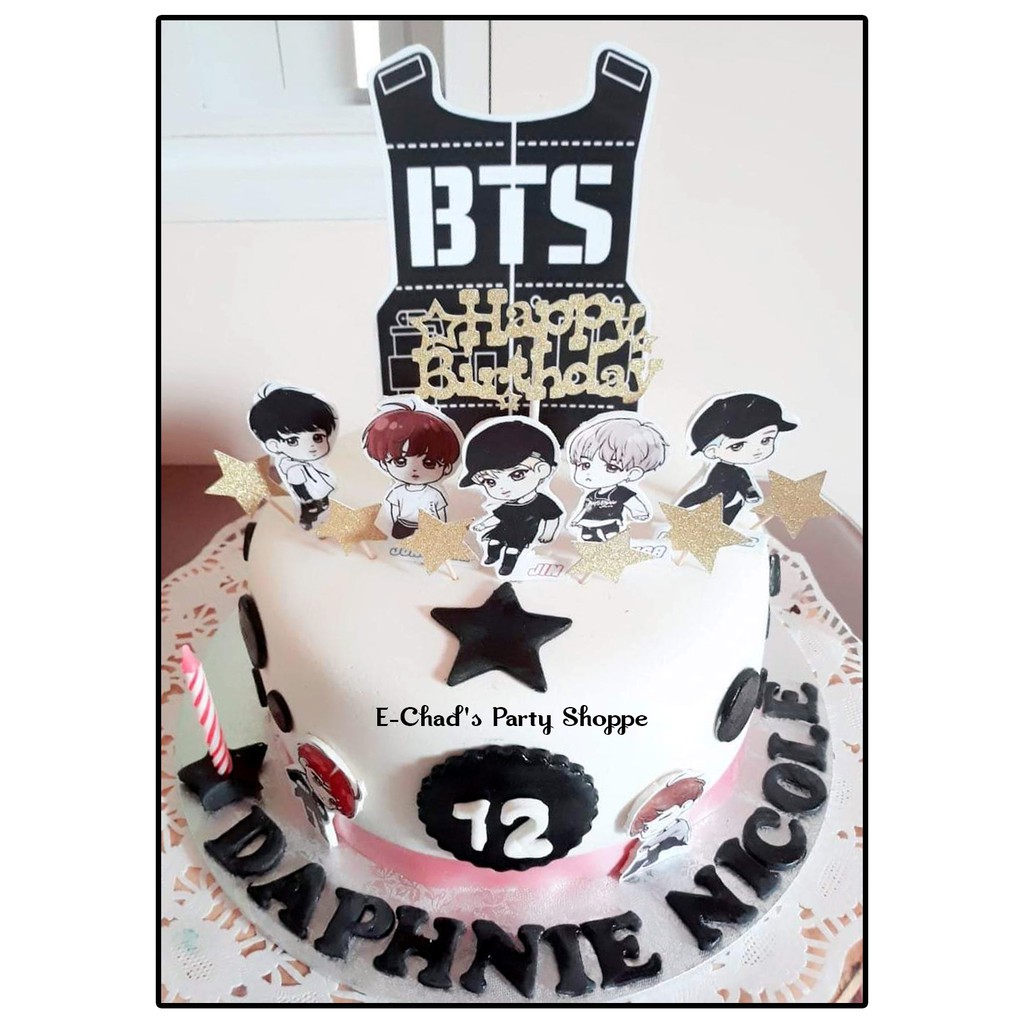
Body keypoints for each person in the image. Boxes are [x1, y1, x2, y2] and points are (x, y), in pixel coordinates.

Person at [461, 418, 563, 576]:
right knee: (494, 541)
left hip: (523, 533)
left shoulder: (542, 501)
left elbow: (552, 518)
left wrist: (547, 534)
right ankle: (493, 556)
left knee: (512, 549)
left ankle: (508, 565)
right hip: (503, 529)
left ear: (541, 470)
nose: (502, 488)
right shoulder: (509, 503)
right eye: (490, 482)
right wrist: (483, 525)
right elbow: (497, 516)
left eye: (517, 474)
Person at [679, 393, 797, 525]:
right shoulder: (729, 471)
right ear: (712, 451)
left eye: (766, 440)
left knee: (724, 516)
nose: (757, 450)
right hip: (715, 498)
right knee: (702, 505)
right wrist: (750, 494)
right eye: (737, 446)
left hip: (729, 502)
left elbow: (746, 485)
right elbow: (710, 489)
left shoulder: (740, 472)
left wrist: (750, 494)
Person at [362, 399, 462, 539]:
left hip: (429, 526)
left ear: (447, 467)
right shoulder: (397, 491)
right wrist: (393, 523)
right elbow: (393, 511)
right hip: (403, 525)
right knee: (399, 540)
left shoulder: (435, 494)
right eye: (400, 461)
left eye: (429, 463)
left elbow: (440, 514)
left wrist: (440, 530)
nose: (413, 469)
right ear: (383, 464)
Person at [248, 385, 338, 530]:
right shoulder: (292, 467)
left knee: (326, 512)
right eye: (292, 440)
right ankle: (310, 521)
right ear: (273, 445)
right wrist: (309, 502)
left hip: (319, 497)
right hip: (311, 502)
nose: (311, 446)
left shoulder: (310, 464)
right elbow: (300, 489)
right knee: (315, 516)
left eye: (317, 437)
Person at [566, 415, 668, 541]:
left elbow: (633, 504)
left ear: (633, 473)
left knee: (610, 538)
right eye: (585, 465)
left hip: (610, 523)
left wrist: (639, 513)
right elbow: (585, 510)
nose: (591, 473)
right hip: (589, 524)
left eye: (611, 467)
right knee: (587, 538)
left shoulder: (622, 493)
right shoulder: (591, 495)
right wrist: (576, 521)